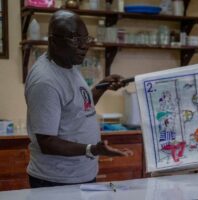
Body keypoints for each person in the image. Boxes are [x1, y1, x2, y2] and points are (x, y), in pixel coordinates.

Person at [25, 10, 133, 188]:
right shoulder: (45, 81)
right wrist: (92, 149)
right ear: (53, 40)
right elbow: (47, 142)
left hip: (80, 176)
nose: (84, 46)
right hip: (56, 181)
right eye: (75, 39)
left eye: (86, 39)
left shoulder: (68, 64)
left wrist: (103, 86)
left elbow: (81, 106)